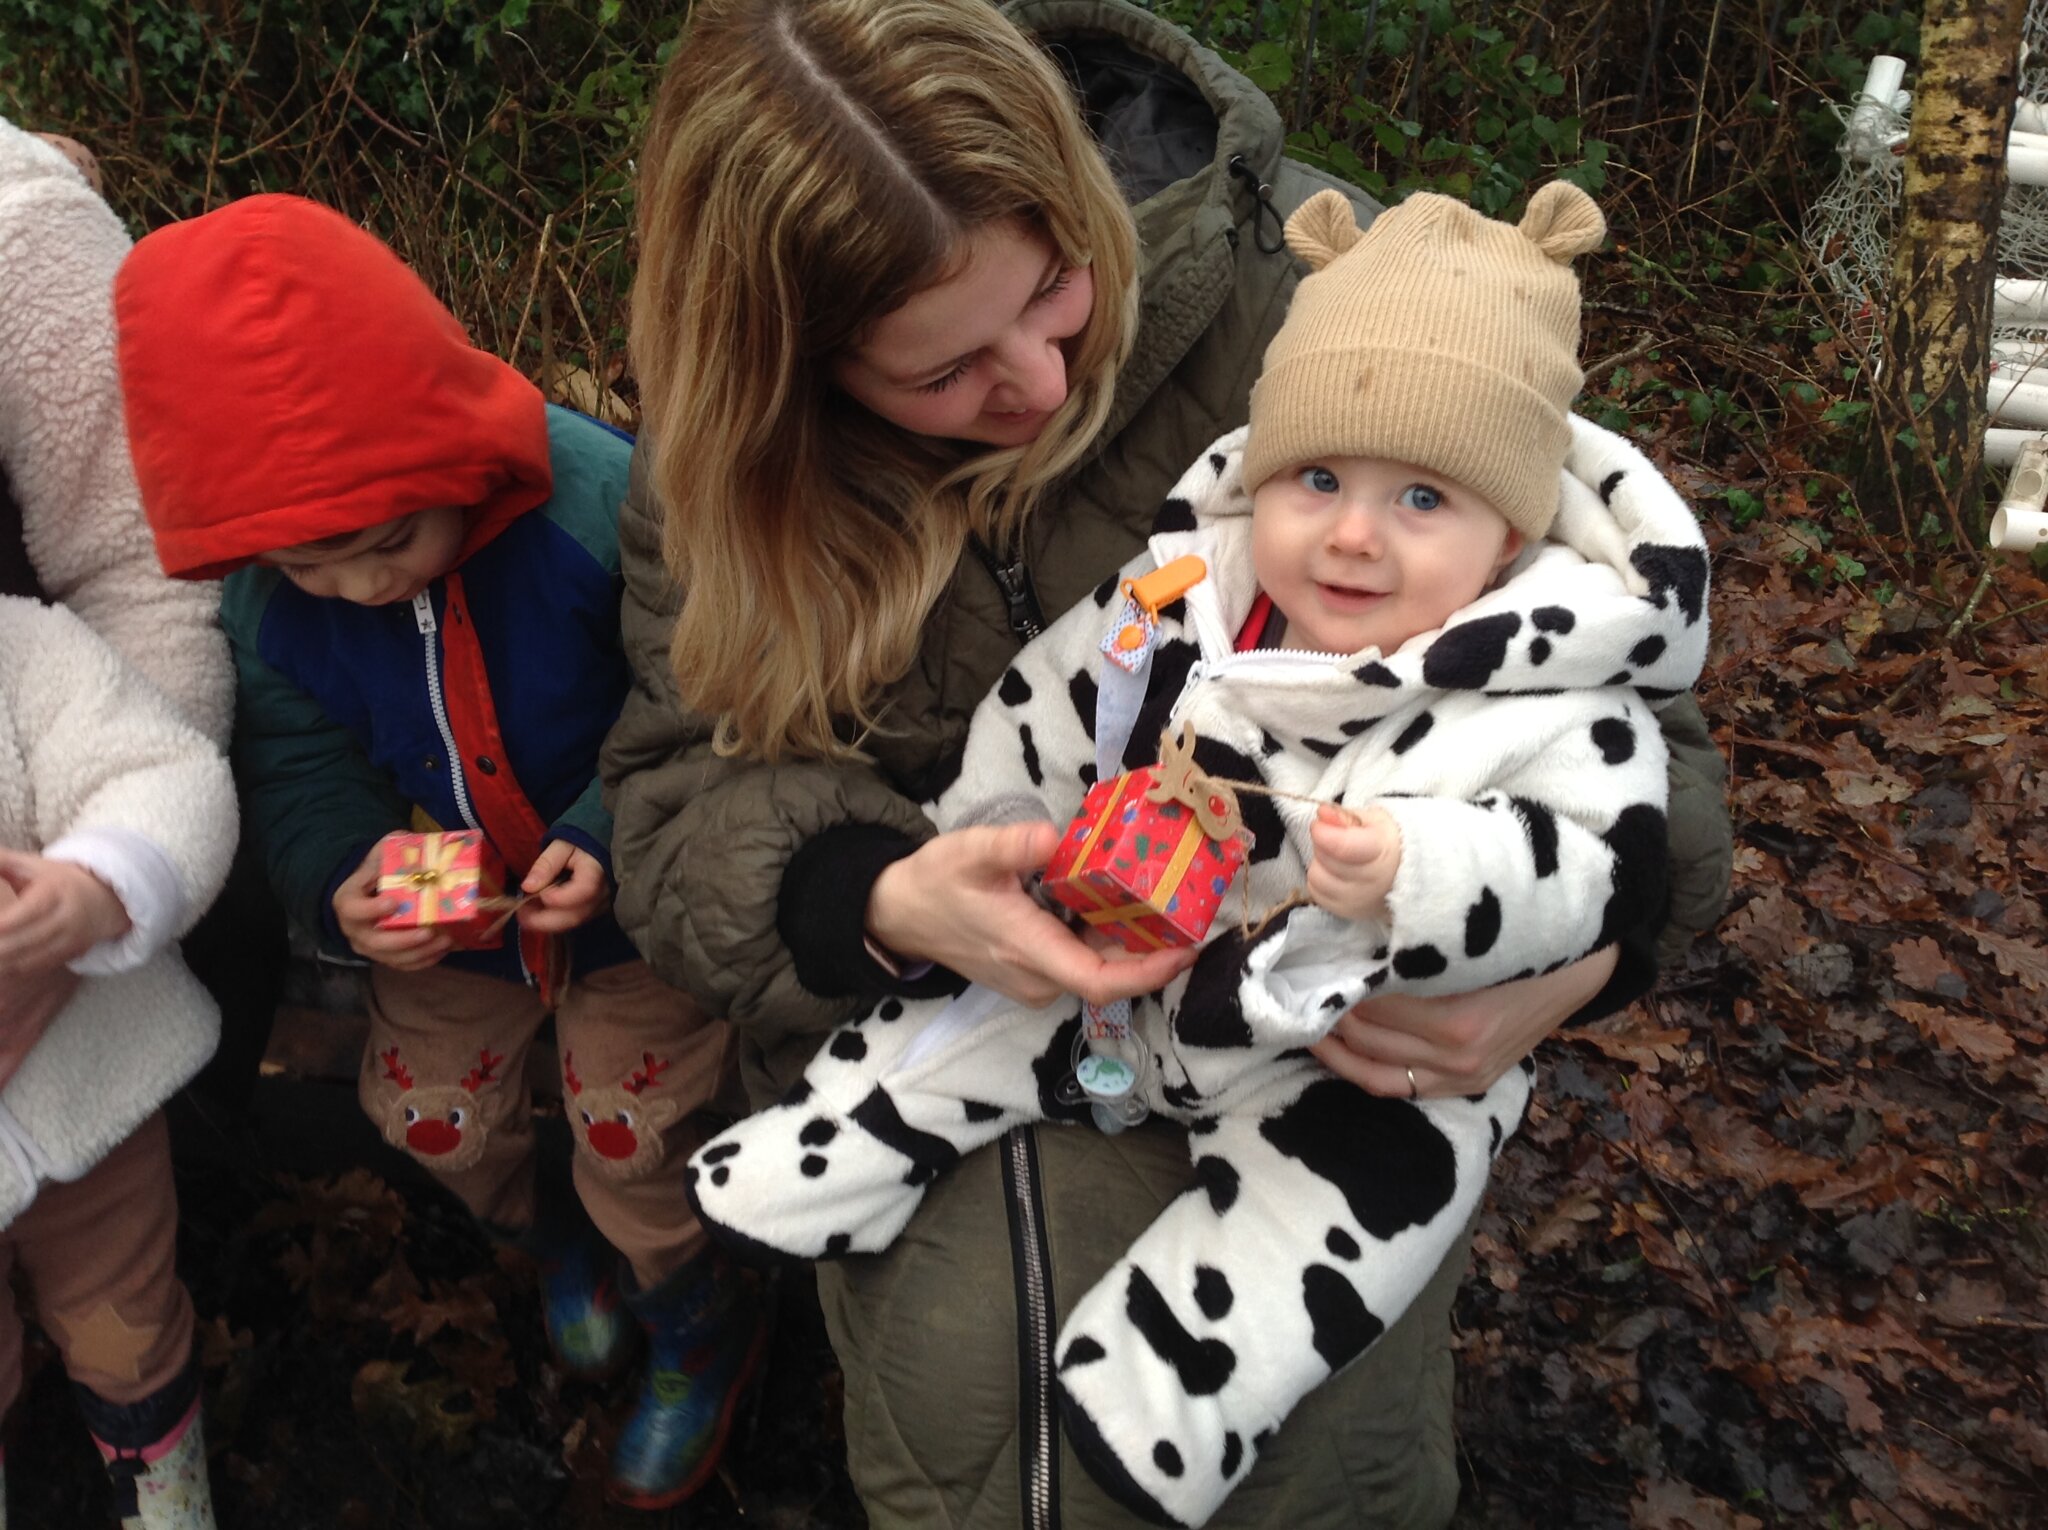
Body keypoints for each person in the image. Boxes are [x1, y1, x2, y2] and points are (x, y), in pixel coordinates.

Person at [604, 1, 1735, 1524]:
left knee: (1302, 1462)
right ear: (796, 371)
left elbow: (1628, 710)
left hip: (1327, 1044)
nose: (1038, 384)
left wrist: (1580, 962)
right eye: (943, 374)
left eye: (1058, 289)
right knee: (971, 1444)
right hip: (942, 1035)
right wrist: (877, 897)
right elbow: (680, 797)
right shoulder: (723, 468)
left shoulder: (1341, 287)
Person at [113, 194, 761, 1511]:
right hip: (458, 911)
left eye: (396, 542)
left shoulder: (590, 501)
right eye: (316, 563)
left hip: (634, 897)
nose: (363, 586)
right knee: (429, 1110)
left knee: (633, 1126)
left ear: (457, 453)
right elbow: (297, 756)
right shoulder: (267, 592)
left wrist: (604, 832)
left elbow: (695, 690)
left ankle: (699, 1312)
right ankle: (555, 1233)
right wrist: (342, 869)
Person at [0, 118, 247, 1098]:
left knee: (112, 1242)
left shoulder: (20, 227)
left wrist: (92, 899)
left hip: (61, 901)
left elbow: (146, 569)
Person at [0, 594, 237, 1530]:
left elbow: (162, 767)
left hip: (84, 1091)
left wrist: (99, 883)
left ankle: (164, 1495)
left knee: (126, 1319)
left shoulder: (22, 649)